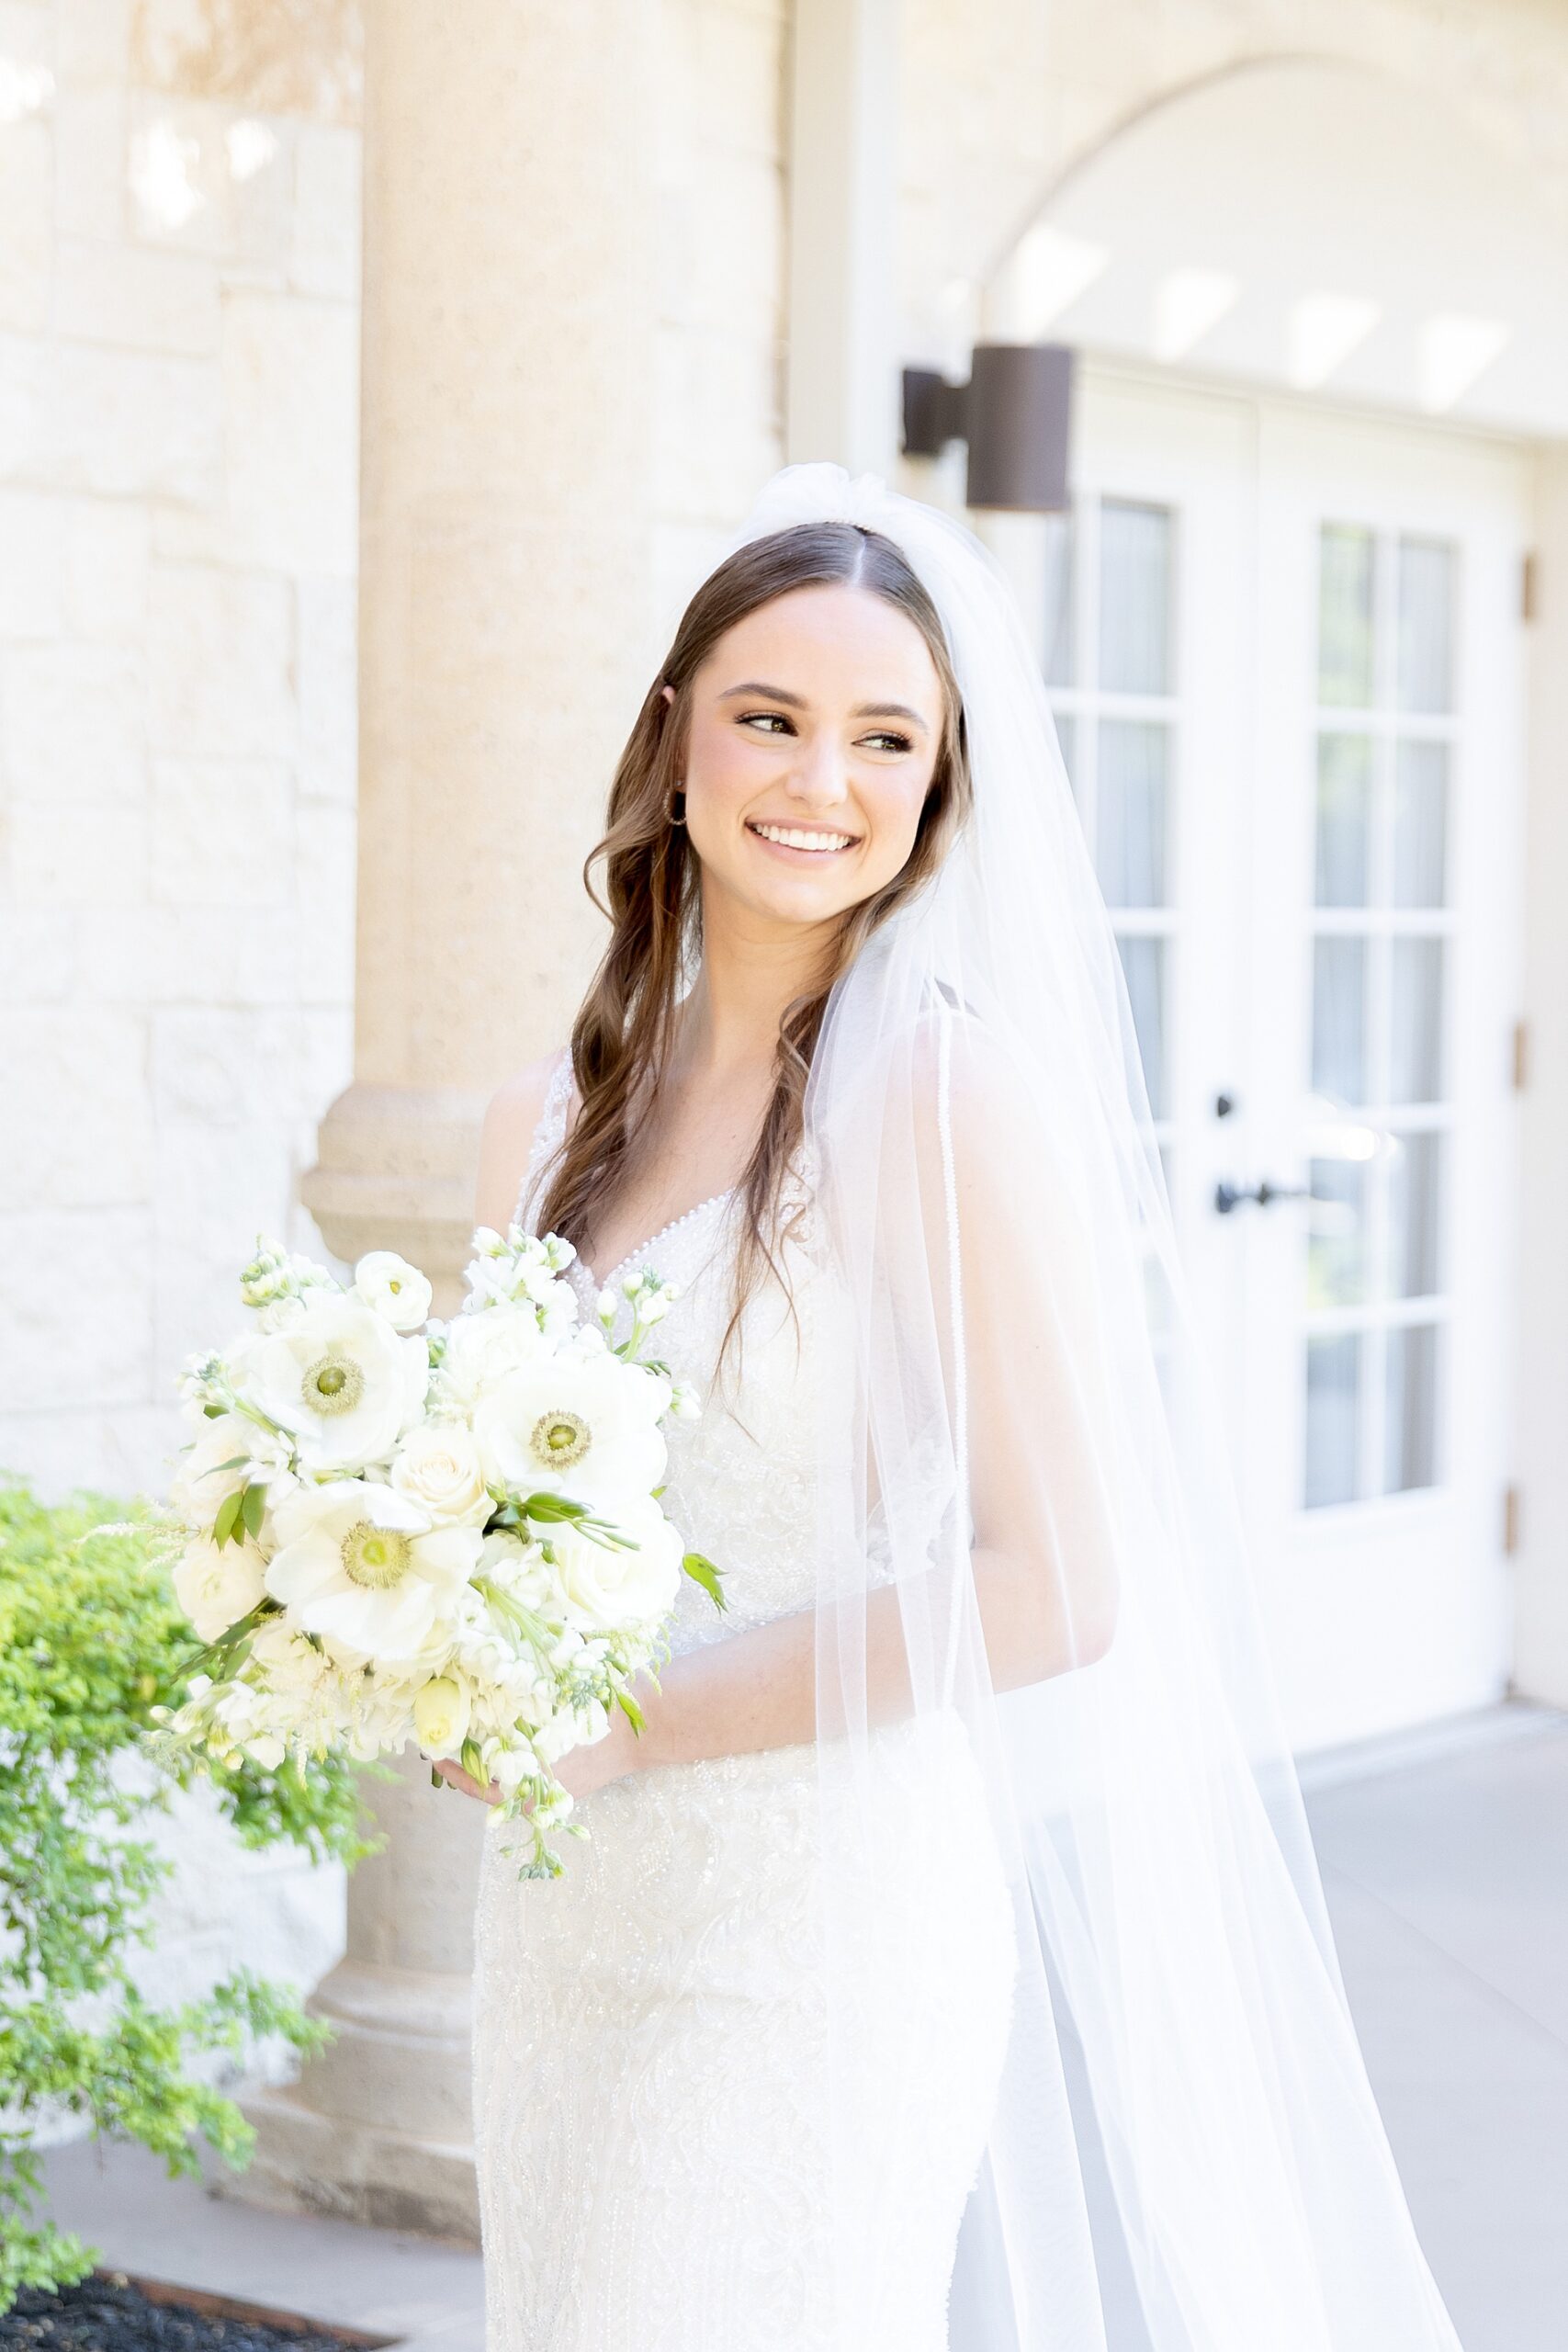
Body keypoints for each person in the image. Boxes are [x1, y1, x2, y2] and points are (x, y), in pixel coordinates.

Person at [439, 465, 1469, 2352]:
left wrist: (619, 1722)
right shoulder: (538, 1122)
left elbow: (1056, 1581)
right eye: (767, 717)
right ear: (672, 739)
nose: (817, 778)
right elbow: (474, 1512)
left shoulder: (934, 1103)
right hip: (567, 1913)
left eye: (881, 737)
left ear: (932, 791)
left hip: (814, 1923)